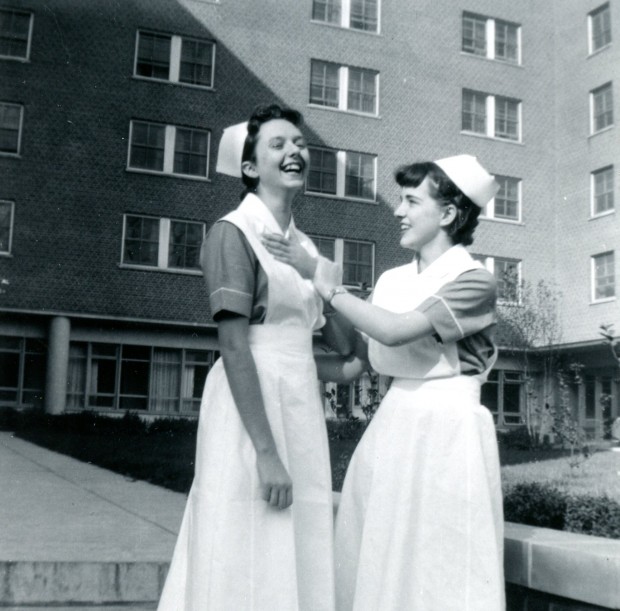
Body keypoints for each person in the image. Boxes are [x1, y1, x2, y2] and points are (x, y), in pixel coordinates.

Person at [263, 155, 506, 610]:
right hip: (393, 424)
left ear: (449, 214)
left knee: (436, 561)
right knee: (375, 554)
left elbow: (394, 330)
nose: (398, 211)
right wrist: (278, 354)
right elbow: (359, 359)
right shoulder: (393, 279)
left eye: (412, 201)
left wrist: (329, 287)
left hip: (449, 432)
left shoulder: (474, 280)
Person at [157, 104, 339, 611]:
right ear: (251, 168)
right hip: (249, 415)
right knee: (245, 531)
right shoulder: (232, 232)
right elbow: (236, 345)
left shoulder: (303, 246)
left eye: (299, 143)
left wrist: (321, 272)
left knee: (295, 539)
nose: (294, 151)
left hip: (299, 408)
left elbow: (342, 350)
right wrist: (265, 452)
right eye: (278, 145)